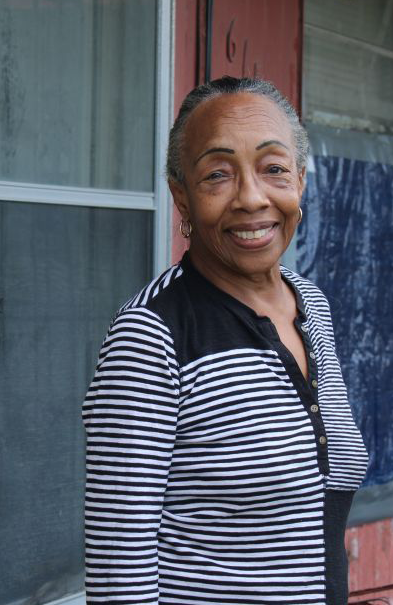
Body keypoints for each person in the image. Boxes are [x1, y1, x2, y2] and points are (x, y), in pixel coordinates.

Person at [82, 76, 369, 604]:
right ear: (182, 198)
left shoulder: (312, 305)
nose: (252, 198)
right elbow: (119, 568)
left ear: (300, 182)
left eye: (273, 169)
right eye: (217, 175)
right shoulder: (151, 335)